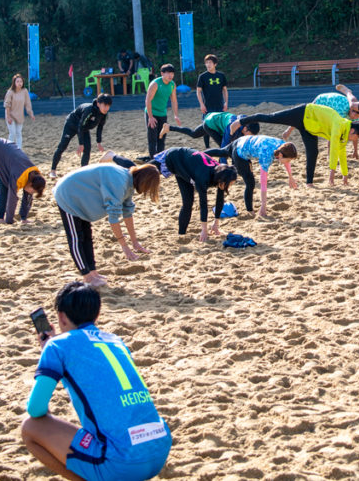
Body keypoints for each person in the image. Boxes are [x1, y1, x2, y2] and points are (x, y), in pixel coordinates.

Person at [21, 281, 172, 481]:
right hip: (159, 450)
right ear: (96, 315)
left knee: (30, 428)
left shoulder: (57, 347)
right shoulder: (115, 340)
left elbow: (36, 409)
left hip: (121, 464)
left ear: (61, 317)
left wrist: (49, 350)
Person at [53, 162, 160, 287]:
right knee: (76, 238)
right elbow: (113, 217)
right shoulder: (119, 182)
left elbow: (127, 212)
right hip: (68, 196)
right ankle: (87, 276)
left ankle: (93, 272)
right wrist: (124, 246)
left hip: (82, 199)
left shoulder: (129, 181)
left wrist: (135, 242)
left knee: (87, 237)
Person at [106, 148, 236, 242]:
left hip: (186, 170)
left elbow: (220, 199)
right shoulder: (204, 177)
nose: (230, 186)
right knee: (139, 173)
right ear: (222, 180)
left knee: (188, 203)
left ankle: (181, 235)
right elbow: (203, 203)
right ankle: (113, 156)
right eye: (230, 183)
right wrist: (204, 230)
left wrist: (216, 224)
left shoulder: (223, 172)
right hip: (173, 158)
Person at [230, 104, 359, 187]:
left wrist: (345, 175)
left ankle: (309, 182)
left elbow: (341, 153)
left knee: (313, 152)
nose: (355, 140)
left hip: (310, 128)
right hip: (303, 113)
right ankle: (242, 121)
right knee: (271, 117)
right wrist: (331, 176)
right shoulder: (339, 125)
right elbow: (334, 150)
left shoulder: (345, 133)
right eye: (357, 137)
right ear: (353, 131)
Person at [205, 136, 298, 217]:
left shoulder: (283, 146)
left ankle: (201, 154)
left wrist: (290, 177)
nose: (288, 162)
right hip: (240, 153)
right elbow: (263, 183)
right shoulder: (266, 155)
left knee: (222, 152)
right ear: (280, 155)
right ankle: (250, 211)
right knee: (250, 183)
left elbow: (285, 160)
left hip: (243, 140)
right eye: (288, 160)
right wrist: (263, 206)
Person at [49, 94, 112, 178]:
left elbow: (100, 127)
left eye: (108, 106)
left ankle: (83, 171)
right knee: (62, 146)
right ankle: (53, 170)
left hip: (83, 128)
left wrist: (99, 142)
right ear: (98, 103)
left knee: (88, 148)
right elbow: (80, 126)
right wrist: (80, 144)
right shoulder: (89, 110)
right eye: (105, 105)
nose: (106, 108)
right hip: (71, 125)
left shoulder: (104, 114)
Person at [284, 92, 359, 158]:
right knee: (305, 115)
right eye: (355, 113)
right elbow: (333, 132)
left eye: (358, 114)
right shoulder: (341, 111)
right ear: (351, 109)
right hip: (322, 100)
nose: (356, 116)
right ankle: (288, 130)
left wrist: (355, 151)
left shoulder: (356, 113)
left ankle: (330, 154)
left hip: (333, 102)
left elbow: (356, 133)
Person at [164, 112, 259, 151]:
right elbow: (226, 146)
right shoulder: (234, 126)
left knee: (194, 134)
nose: (249, 136)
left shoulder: (245, 123)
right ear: (246, 128)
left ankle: (169, 127)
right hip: (211, 124)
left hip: (213, 117)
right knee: (225, 149)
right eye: (250, 134)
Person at [144, 64, 179, 157]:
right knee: (152, 139)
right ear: (162, 73)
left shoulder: (172, 85)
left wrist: (176, 115)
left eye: (172, 73)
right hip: (152, 113)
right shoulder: (155, 84)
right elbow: (148, 100)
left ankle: (160, 158)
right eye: (168, 73)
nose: (170, 75)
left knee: (161, 137)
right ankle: (153, 159)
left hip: (163, 114)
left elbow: (174, 100)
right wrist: (150, 117)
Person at [195, 54, 229, 147]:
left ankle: (223, 146)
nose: (208, 64)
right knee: (206, 128)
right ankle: (207, 147)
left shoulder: (221, 75)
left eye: (210, 62)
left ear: (215, 64)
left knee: (221, 127)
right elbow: (198, 92)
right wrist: (201, 104)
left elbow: (225, 90)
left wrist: (226, 103)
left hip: (219, 106)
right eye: (206, 63)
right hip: (207, 107)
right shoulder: (202, 76)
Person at [4, 73, 36, 149]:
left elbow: (27, 103)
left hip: (19, 116)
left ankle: (19, 149)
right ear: (14, 83)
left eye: (21, 81)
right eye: (17, 81)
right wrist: (8, 117)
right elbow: (7, 105)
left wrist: (31, 113)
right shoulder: (10, 92)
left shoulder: (24, 91)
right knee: (13, 133)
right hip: (11, 115)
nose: (19, 83)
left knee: (19, 133)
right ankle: (9, 149)